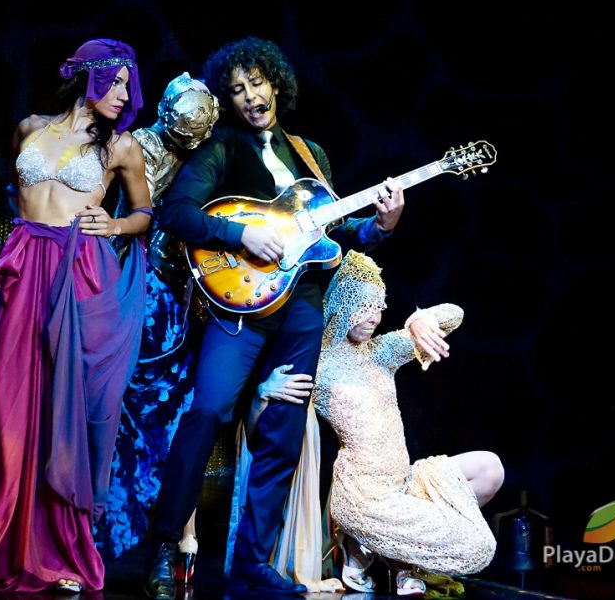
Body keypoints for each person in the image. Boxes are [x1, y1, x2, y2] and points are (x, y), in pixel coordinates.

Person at [143, 36, 405, 598]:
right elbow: (177, 212)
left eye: (256, 83)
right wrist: (241, 233)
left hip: (302, 309)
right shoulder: (220, 150)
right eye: (236, 89)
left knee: (283, 435)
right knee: (208, 412)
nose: (249, 96)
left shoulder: (309, 155)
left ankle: (252, 561)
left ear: (276, 85)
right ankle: (164, 548)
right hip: (239, 306)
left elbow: (330, 240)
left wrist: (380, 227)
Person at [0, 38, 153, 595]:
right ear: (89, 77)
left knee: (64, 414)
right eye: (116, 82)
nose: (124, 96)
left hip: (79, 276)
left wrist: (116, 227)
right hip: (28, 273)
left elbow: (145, 210)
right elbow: (18, 192)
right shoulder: (30, 128)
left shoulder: (121, 147)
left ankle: (63, 553)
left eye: (128, 86)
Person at [313, 250, 503, 597]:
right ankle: (390, 558)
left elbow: (454, 314)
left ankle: (381, 555)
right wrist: (267, 388)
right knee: (479, 546)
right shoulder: (319, 367)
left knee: (490, 468)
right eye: (364, 306)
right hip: (364, 497)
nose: (373, 317)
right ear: (342, 304)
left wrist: (419, 318)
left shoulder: (380, 352)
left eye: (379, 306)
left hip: (404, 482)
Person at [98, 73, 219, 557]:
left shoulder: (211, 154)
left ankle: (178, 537)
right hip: (135, 279)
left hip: (184, 290)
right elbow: (119, 211)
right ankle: (100, 527)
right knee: (120, 401)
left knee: (176, 409)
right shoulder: (138, 145)